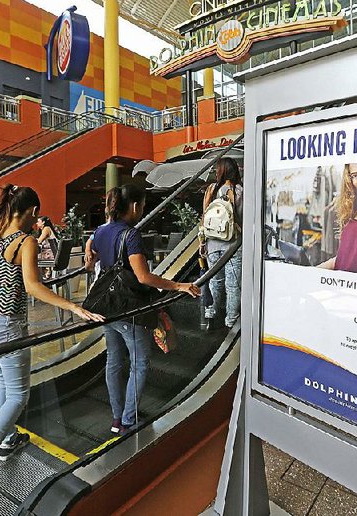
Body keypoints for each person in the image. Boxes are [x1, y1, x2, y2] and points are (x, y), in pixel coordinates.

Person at [0, 184, 103, 516]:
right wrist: (74, 307)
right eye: (36, 215)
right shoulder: (25, 241)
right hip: (4, 327)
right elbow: (33, 286)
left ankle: (6, 440)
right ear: (32, 212)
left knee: (4, 383)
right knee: (19, 394)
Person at [90, 183, 200, 436]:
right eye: (143, 206)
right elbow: (143, 277)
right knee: (139, 363)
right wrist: (178, 285)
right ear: (136, 206)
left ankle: (117, 418)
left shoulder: (100, 231)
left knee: (114, 362)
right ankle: (129, 419)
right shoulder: (131, 235)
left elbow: (93, 252)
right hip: (129, 309)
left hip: (106, 307)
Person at [203, 158, 243, 331]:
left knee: (214, 282)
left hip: (212, 244)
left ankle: (210, 317)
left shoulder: (211, 190)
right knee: (232, 285)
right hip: (232, 245)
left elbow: (203, 218)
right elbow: (242, 219)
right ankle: (230, 321)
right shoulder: (239, 190)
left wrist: (202, 242)